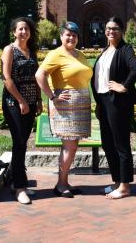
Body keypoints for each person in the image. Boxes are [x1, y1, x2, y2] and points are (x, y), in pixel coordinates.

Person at [35, 21, 93, 198]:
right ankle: (61, 184)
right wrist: (52, 96)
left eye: (74, 35)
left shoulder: (79, 54)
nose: (71, 38)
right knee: (70, 146)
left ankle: (64, 181)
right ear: (61, 36)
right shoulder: (56, 54)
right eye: (67, 34)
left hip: (80, 104)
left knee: (72, 146)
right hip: (65, 105)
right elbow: (40, 75)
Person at [91, 17, 136, 200]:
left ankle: (125, 186)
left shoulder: (125, 49)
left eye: (115, 29)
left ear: (121, 31)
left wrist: (124, 86)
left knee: (121, 144)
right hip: (103, 102)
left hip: (117, 102)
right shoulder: (105, 50)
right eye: (108, 28)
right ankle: (117, 181)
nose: (111, 31)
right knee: (107, 143)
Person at [1, 17, 42, 205]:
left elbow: (36, 77)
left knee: (23, 143)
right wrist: (21, 101)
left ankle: (13, 180)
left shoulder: (31, 51)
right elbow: (6, 79)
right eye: (20, 29)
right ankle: (20, 188)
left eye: (26, 29)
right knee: (19, 143)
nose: (24, 32)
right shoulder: (10, 50)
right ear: (14, 32)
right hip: (13, 102)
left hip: (31, 101)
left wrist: (38, 100)